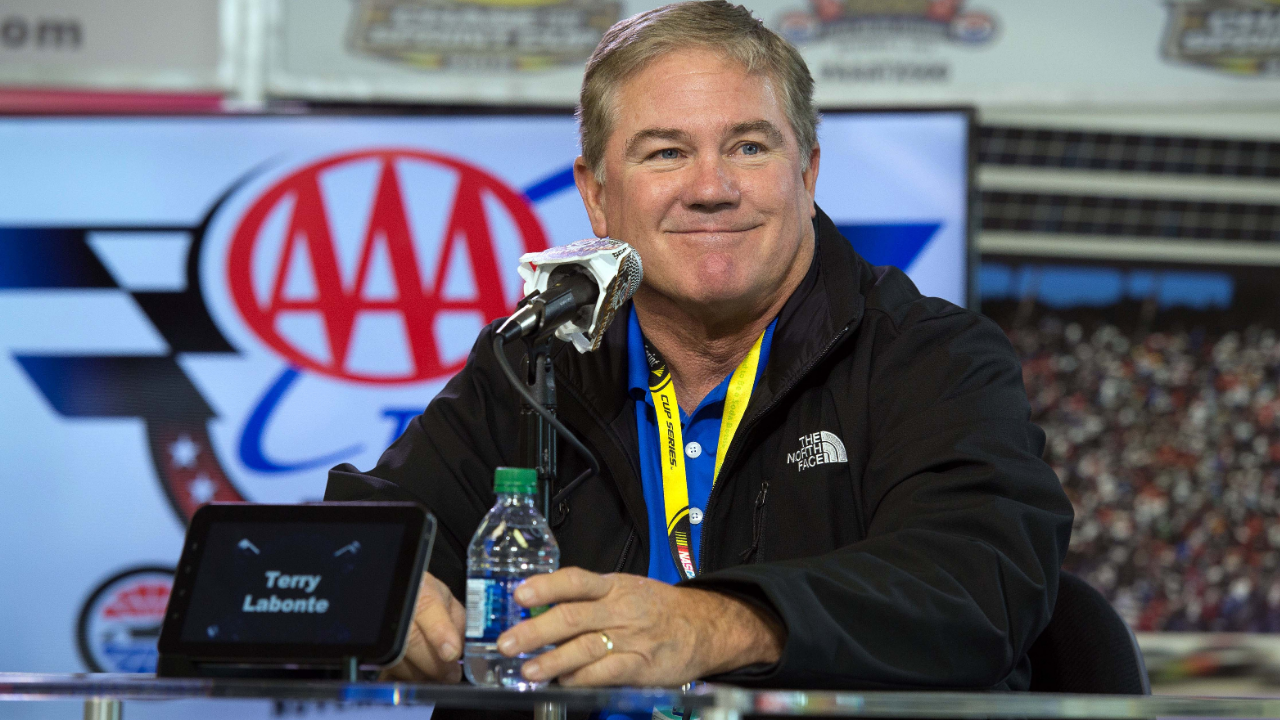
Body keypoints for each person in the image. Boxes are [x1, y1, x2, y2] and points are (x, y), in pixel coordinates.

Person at [326, 0, 1073, 690]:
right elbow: (364, 526)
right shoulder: (534, 361)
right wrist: (383, 579)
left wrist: (719, 624)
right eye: (664, 153)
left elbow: (978, 579)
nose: (711, 187)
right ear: (596, 193)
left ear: (807, 173)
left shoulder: (933, 357)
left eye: (749, 147)